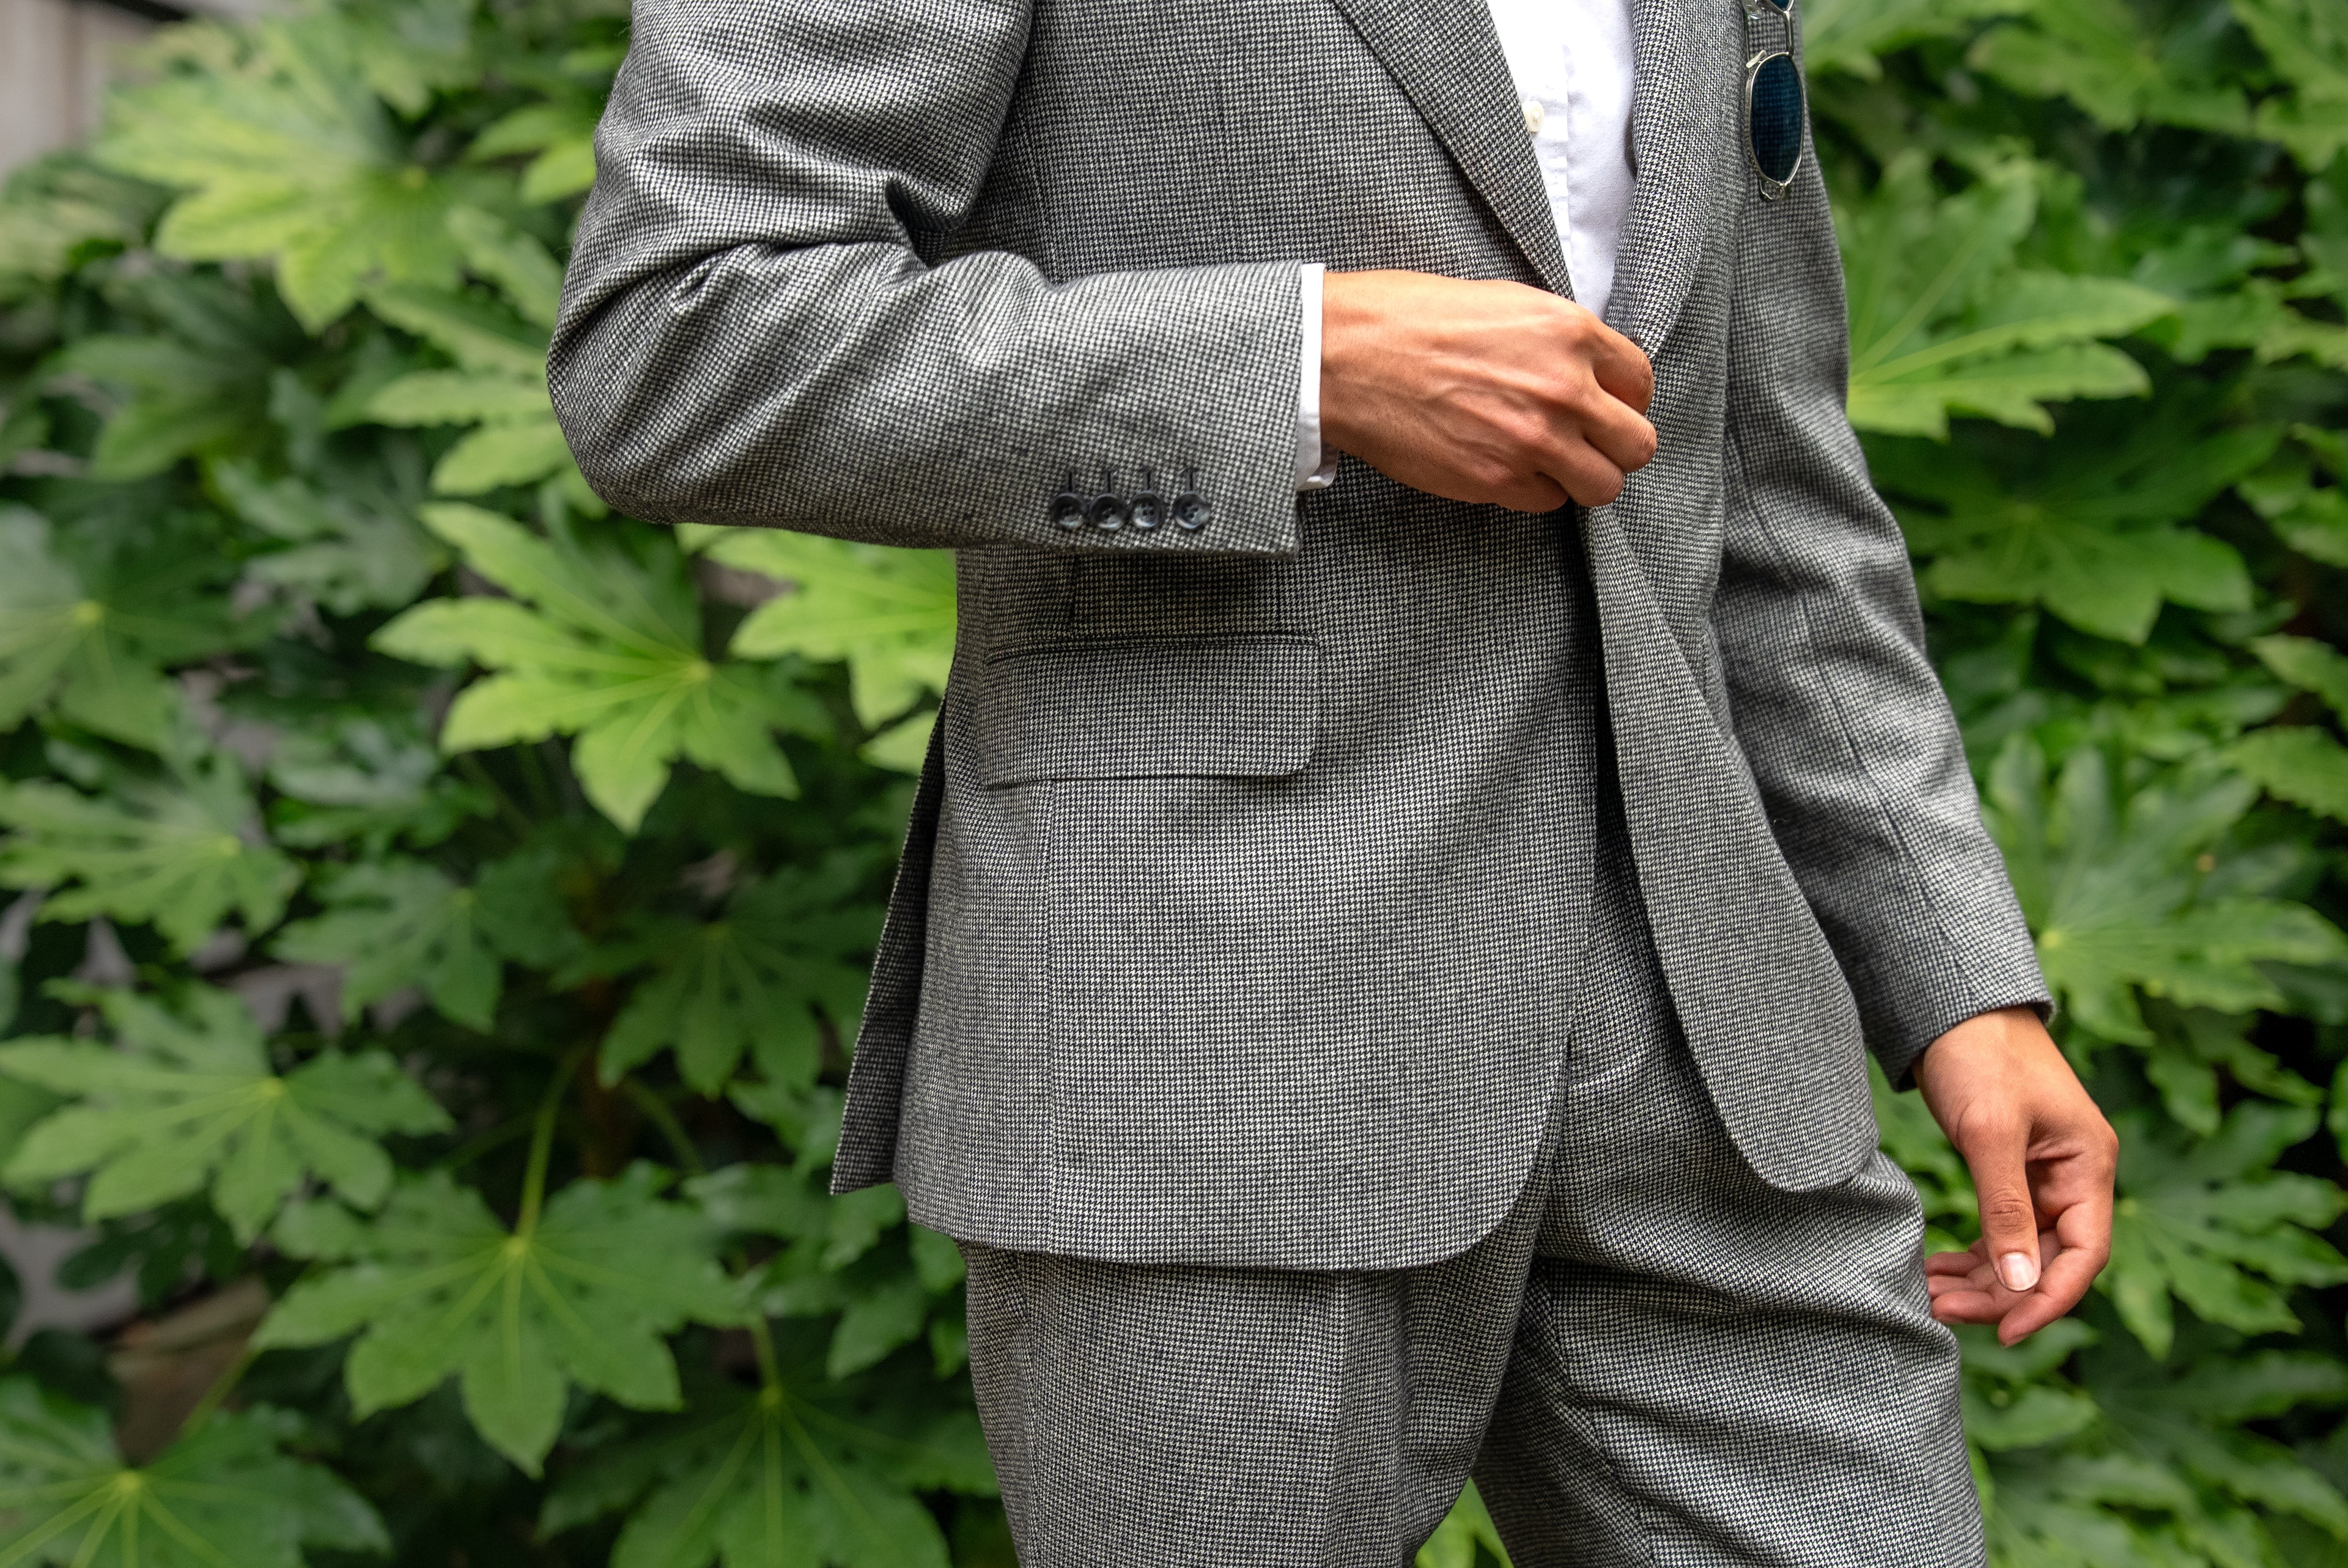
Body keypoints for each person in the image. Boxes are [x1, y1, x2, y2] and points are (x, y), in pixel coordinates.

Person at [548, 0, 2119, 1560]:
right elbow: (676, 331)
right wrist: (1301, 365)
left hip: (1711, 1047)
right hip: (1214, 1027)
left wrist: (1956, 977)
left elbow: (1765, 479)